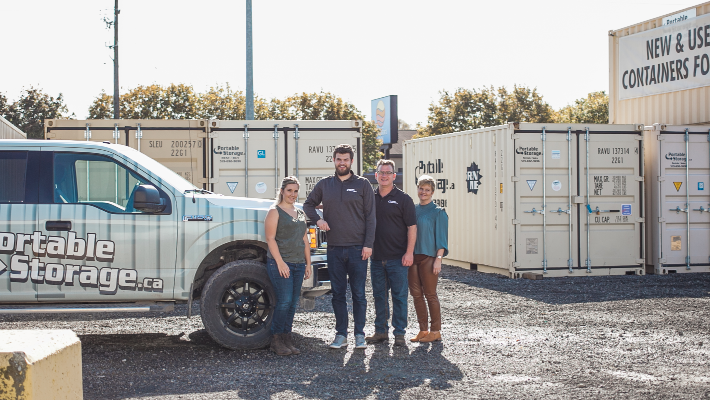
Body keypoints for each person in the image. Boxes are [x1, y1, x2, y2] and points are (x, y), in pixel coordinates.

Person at [304, 144, 376, 350]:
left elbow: (371, 217)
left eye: (345, 159)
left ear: (351, 161)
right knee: (337, 294)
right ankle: (341, 335)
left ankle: (360, 334)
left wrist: (368, 245)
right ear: (333, 161)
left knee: (359, 294)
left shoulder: (363, 185)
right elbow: (309, 204)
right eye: (338, 159)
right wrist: (318, 221)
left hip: (358, 250)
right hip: (334, 248)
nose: (342, 162)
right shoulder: (325, 184)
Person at [366, 159, 417, 347]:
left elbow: (412, 227)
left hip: (398, 258)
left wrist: (409, 253)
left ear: (394, 176)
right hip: (377, 258)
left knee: (399, 297)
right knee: (379, 296)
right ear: (376, 175)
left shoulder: (404, 199)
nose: (384, 175)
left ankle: (400, 334)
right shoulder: (370, 198)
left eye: (388, 172)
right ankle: (381, 331)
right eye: (381, 172)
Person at [264, 176, 312, 356]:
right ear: (282, 191)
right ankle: (276, 341)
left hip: (299, 264)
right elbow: (270, 239)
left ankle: (287, 339)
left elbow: (304, 240)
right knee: (283, 302)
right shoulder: (274, 212)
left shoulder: (299, 212)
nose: (293, 194)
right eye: (289, 190)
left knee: (292, 304)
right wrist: (280, 262)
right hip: (281, 264)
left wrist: (308, 264)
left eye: (295, 191)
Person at [409, 174, 448, 343]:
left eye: (427, 190)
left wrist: (438, 259)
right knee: (416, 295)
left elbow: (442, 238)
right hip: (412, 258)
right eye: (421, 189)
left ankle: (436, 330)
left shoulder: (438, 212)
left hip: (429, 258)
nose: (423, 192)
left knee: (430, 295)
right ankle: (423, 330)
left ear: (432, 192)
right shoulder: (412, 210)